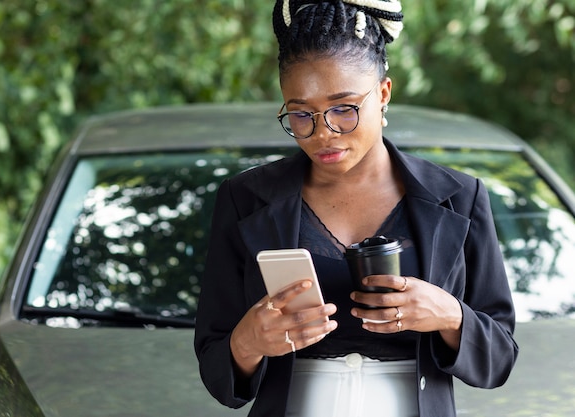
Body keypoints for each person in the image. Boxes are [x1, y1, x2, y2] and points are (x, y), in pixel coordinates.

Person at [194, 0, 518, 416]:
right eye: (300, 114)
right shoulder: (245, 199)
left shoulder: (459, 197)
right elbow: (218, 373)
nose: (322, 133)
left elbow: (500, 360)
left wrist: (450, 315)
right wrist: (248, 342)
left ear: (383, 94)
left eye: (343, 109)